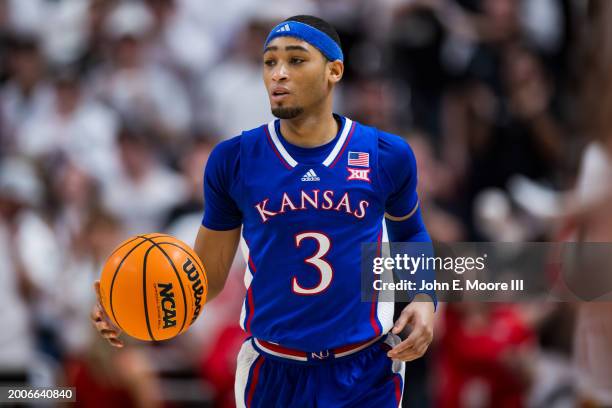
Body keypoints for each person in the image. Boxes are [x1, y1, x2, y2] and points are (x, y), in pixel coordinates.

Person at [92, 15, 436, 407]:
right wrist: (130, 302)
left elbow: (410, 233)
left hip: (366, 367)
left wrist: (425, 297)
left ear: (334, 71)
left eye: (296, 60)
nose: (279, 74)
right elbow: (205, 278)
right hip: (273, 370)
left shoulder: (386, 154)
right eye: (270, 62)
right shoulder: (233, 159)